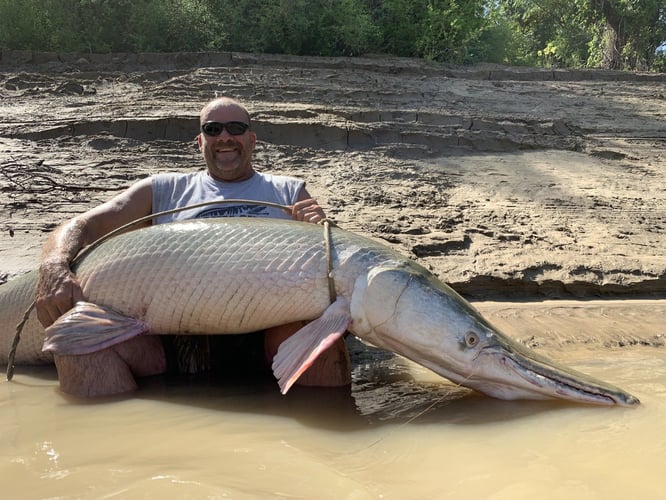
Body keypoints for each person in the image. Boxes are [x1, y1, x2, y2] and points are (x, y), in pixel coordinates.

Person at [35, 97, 351, 397]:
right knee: (75, 344)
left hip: (270, 336)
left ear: (252, 139)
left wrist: (325, 228)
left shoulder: (289, 190)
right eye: (212, 129)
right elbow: (82, 225)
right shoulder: (162, 189)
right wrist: (53, 265)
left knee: (325, 347)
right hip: (175, 341)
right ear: (200, 142)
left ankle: (330, 439)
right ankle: (121, 450)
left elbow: (335, 262)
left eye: (235, 129)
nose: (224, 137)